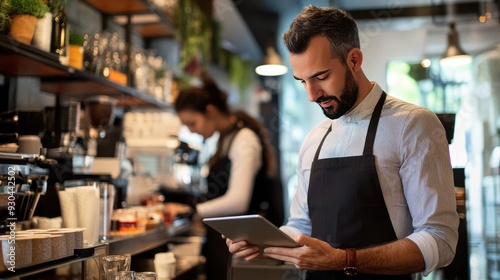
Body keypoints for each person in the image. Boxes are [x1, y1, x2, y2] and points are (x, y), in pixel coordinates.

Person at [226, 5, 459, 279]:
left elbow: (440, 240)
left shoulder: (413, 125)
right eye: (302, 81)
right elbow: (301, 225)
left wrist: (344, 260)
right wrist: (264, 243)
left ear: (355, 60)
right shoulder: (314, 140)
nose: (312, 95)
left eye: (321, 77)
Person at [167, 73, 284, 280]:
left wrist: (193, 210)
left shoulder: (244, 138)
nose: (192, 131)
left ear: (210, 111)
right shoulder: (227, 137)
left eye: (192, 123)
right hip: (230, 240)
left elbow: (238, 201)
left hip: (243, 243)